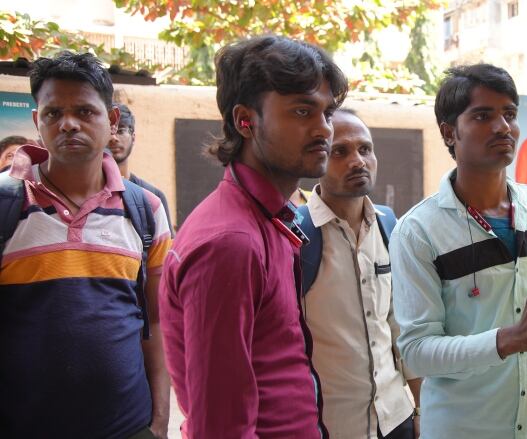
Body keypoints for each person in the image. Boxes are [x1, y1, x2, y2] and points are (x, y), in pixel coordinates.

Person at [158, 35, 348, 438]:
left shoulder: (272, 217)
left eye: (326, 113)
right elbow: (221, 425)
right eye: (301, 111)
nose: (323, 129)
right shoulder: (231, 242)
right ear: (246, 121)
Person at [389, 64, 527, 438]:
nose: (502, 127)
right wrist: (509, 338)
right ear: (449, 132)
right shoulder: (418, 231)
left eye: (509, 114)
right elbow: (416, 351)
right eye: (483, 115)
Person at [0, 51, 172, 438]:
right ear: (36, 122)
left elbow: (159, 323)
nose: (68, 124)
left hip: (129, 428)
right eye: (53, 113)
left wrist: (159, 422)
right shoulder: (5, 204)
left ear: (111, 121)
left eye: (84, 111)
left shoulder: (145, 209)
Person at [299, 109, 421, 439]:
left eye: (365, 149)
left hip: (397, 419)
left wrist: (422, 408)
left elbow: (401, 326)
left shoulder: (389, 225)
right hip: (333, 427)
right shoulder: (296, 237)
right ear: (318, 158)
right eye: (340, 151)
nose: (358, 161)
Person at [108, 103, 174, 233]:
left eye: (121, 130)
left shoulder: (153, 196)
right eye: (109, 131)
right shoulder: (88, 193)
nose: (114, 138)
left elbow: (166, 250)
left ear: (133, 137)